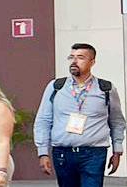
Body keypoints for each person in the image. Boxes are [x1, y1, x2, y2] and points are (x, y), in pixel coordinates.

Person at [33, 43, 126, 187]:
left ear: (92, 62)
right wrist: (43, 152)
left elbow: (117, 121)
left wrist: (117, 150)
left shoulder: (106, 89)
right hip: (63, 153)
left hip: (94, 153)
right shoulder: (56, 87)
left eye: (80, 57)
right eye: (72, 57)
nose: (74, 61)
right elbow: (43, 120)